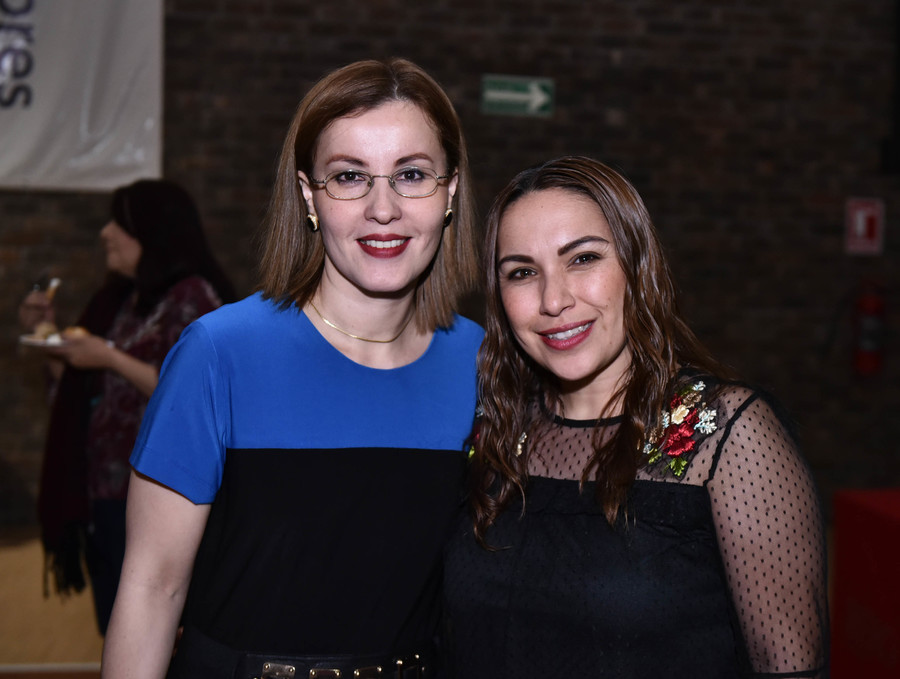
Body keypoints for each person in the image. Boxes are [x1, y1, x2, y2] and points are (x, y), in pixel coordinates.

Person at [101, 58, 482, 679]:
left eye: (412, 174)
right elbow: (153, 590)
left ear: (450, 191)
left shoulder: (482, 364)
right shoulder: (219, 353)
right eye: (349, 177)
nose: (382, 208)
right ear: (309, 195)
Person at [443, 156, 829, 678]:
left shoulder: (726, 436)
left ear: (636, 265)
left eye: (583, 259)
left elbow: (788, 667)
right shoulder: (495, 432)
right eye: (522, 272)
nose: (553, 300)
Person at [18, 178, 236, 635]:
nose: (105, 233)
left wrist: (109, 357)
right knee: (117, 625)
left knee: (159, 628)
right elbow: (83, 398)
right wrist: (51, 340)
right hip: (106, 493)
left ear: (151, 231)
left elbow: (200, 397)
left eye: (118, 222)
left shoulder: (191, 298)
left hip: (162, 493)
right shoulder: (119, 300)